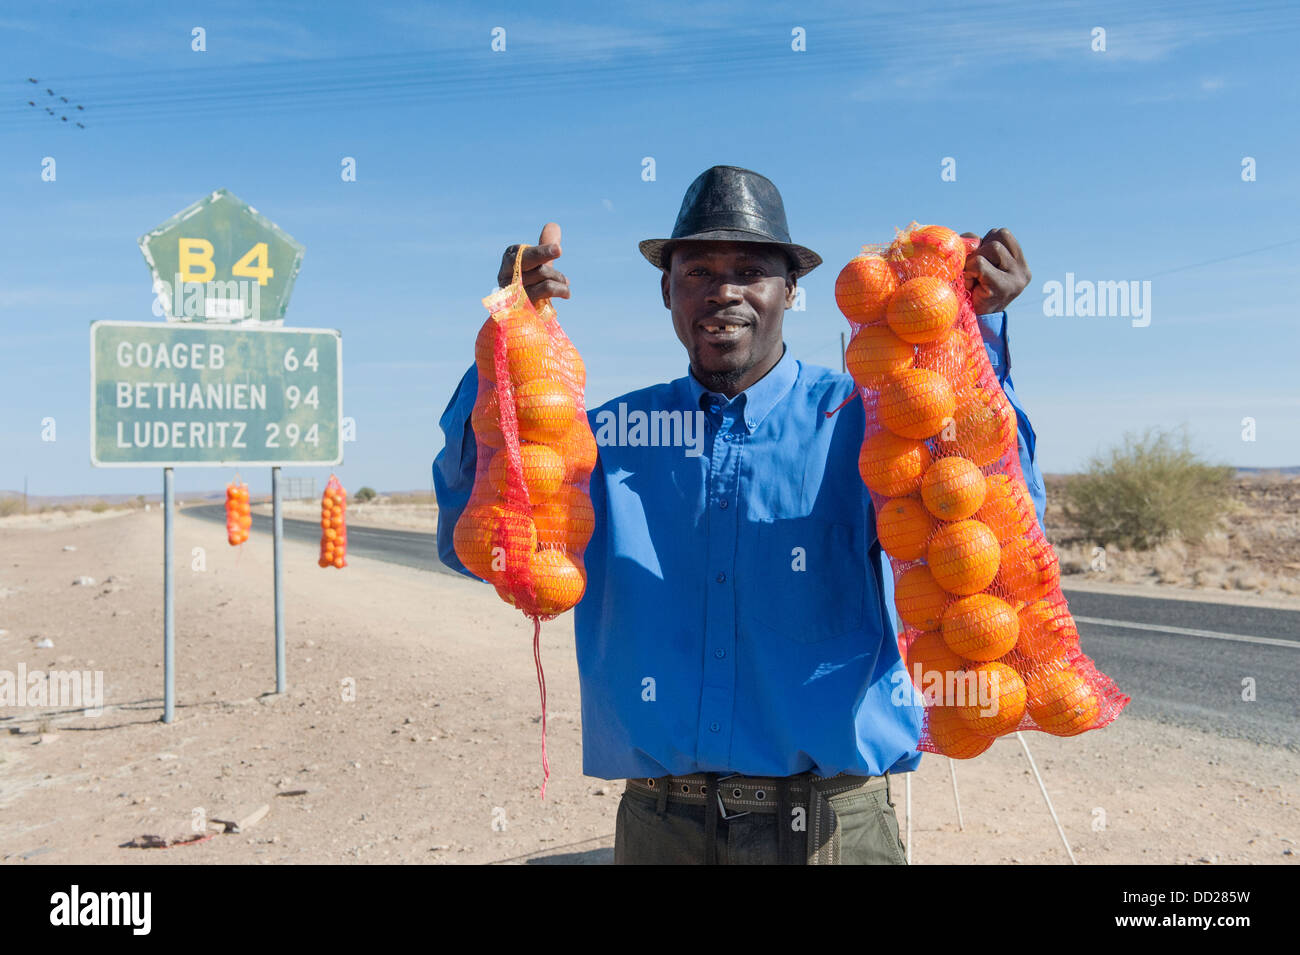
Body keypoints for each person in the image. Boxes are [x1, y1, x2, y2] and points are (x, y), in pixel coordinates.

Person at [434, 165, 1042, 864]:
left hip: (831, 832)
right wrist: (503, 350)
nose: (723, 290)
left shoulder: (874, 426)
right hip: (663, 831)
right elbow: (477, 539)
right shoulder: (598, 442)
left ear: (790, 291)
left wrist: (974, 335)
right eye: (697, 272)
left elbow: (998, 532)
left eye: (751, 270)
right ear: (668, 290)